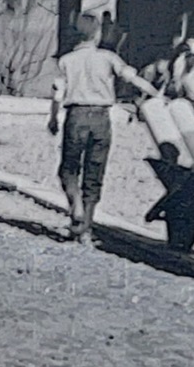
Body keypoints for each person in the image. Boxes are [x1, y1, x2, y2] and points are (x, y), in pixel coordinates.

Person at [48, 13, 161, 245]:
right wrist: (155, 94)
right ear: (97, 33)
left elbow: (58, 92)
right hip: (101, 118)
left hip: (76, 116)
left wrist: (53, 119)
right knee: (94, 172)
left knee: (68, 169)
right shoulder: (108, 57)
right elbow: (132, 77)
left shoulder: (66, 61)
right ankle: (86, 229)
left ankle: (75, 207)